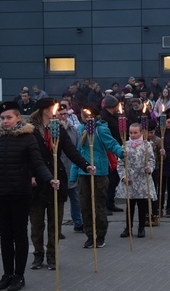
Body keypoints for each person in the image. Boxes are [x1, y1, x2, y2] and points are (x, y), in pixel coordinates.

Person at [0, 101, 58, 291]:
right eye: (2, 118)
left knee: (19, 234)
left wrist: (50, 179)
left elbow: (38, 164)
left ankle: (19, 275)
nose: (5, 121)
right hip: (1, 193)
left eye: (9, 117)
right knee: (5, 235)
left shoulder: (28, 138)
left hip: (20, 192)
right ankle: (7, 274)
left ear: (18, 118)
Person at [27, 98, 94, 271]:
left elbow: (71, 151)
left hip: (57, 180)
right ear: (44, 110)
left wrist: (86, 165)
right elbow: (25, 157)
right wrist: (30, 175)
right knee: (37, 223)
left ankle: (52, 255)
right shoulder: (29, 131)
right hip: (37, 183)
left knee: (54, 223)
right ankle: (38, 254)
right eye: (53, 108)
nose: (56, 110)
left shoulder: (58, 129)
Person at [72, 104, 125, 248]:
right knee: (85, 206)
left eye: (85, 113)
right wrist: (74, 173)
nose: (83, 116)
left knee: (98, 206)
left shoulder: (101, 129)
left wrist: (121, 151)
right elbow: (78, 152)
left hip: (99, 172)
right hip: (84, 173)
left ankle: (100, 235)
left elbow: (111, 144)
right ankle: (90, 235)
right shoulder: (81, 129)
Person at [116, 123, 156, 238]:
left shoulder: (146, 145)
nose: (133, 135)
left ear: (140, 133)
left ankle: (141, 227)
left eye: (135, 133)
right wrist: (123, 176)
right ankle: (128, 228)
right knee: (130, 205)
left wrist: (150, 168)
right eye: (131, 133)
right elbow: (120, 163)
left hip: (142, 180)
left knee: (142, 205)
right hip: (130, 180)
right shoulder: (125, 145)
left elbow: (152, 160)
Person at [57, 103, 85, 232]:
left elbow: (77, 148)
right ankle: (57, 228)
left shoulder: (73, 129)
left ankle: (78, 223)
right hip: (58, 169)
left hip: (72, 168)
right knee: (59, 201)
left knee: (75, 198)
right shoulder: (53, 130)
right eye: (61, 114)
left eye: (65, 114)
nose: (63, 117)